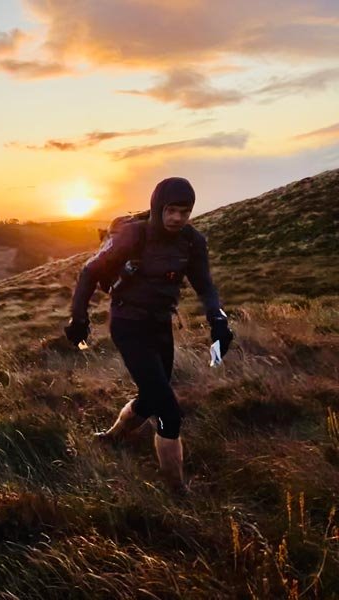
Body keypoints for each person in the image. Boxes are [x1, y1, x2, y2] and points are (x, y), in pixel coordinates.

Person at [66, 177, 234, 493]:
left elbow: (205, 285)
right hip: (128, 325)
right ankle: (176, 491)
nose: (177, 218)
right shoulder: (135, 234)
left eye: (184, 212)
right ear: (158, 208)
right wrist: (78, 317)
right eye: (171, 210)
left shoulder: (192, 242)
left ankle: (113, 436)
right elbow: (90, 271)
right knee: (168, 410)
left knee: (151, 395)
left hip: (160, 326)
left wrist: (218, 319)